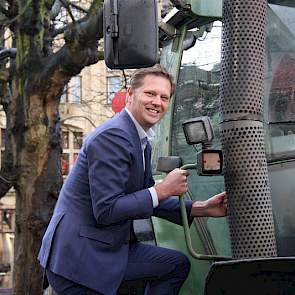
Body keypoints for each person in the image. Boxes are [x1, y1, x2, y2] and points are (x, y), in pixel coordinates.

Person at [38, 65, 227, 295]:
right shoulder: (113, 136)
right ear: (130, 94)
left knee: (175, 264)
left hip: (105, 248)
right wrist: (163, 190)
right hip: (81, 260)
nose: (157, 102)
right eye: (150, 93)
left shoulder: (139, 138)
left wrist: (202, 208)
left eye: (164, 97)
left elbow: (145, 195)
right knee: (174, 266)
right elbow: (107, 210)